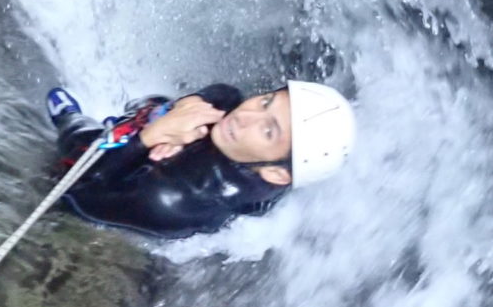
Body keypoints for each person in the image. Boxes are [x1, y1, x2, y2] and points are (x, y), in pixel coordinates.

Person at [45, 80, 356, 239]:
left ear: (277, 174)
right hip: (168, 147)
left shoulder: (172, 200)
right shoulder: (263, 160)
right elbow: (226, 93)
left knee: (81, 138)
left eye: (268, 130)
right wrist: (189, 105)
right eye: (265, 102)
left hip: (126, 183)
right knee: (159, 105)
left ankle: (70, 117)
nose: (246, 116)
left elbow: (75, 192)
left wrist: (150, 137)